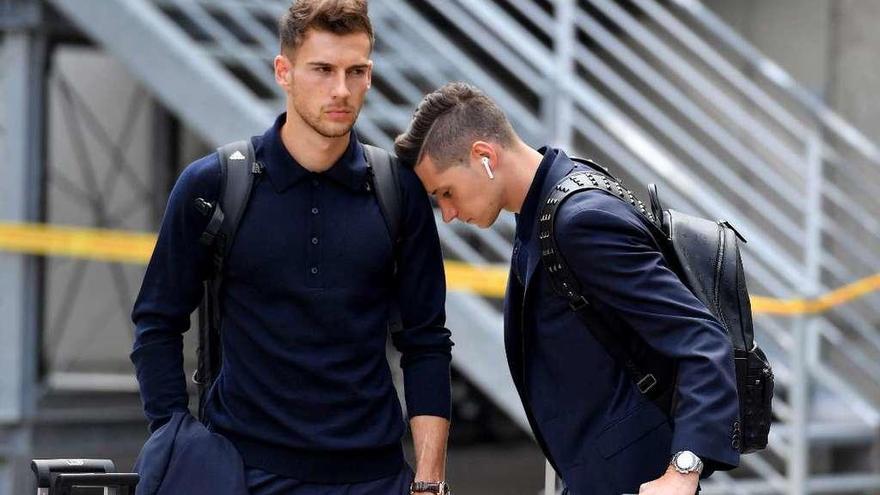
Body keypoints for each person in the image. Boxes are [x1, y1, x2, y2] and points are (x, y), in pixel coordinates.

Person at [131, 2, 453, 494]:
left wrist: (429, 482)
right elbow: (157, 321)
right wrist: (175, 440)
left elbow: (426, 341)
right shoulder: (214, 184)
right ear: (284, 71)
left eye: (356, 71)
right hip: (245, 473)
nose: (341, 90)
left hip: (375, 477)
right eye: (322, 69)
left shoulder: (397, 190)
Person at [394, 82, 740, 495]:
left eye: (446, 193)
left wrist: (684, 470)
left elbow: (701, 338)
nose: (448, 214)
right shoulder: (545, 207)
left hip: (636, 479)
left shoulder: (579, 220)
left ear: (484, 156)